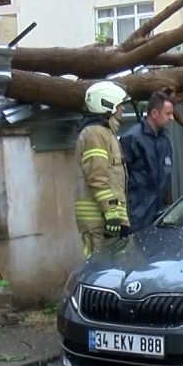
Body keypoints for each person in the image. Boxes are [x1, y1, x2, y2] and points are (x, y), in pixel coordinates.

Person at [74, 81, 130, 255]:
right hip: (100, 221)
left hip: (107, 219)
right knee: (100, 268)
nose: (123, 109)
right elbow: (97, 178)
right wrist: (111, 212)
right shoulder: (95, 134)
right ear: (108, 104)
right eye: (120, 104)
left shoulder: (104, 133)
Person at [120, 91, 175, 234]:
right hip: (137, 214)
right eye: (168, 114)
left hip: (160, 213)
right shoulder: (132, 138)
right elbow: (120, 178)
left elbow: (167, 176)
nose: (172, 118)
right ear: (155, 113)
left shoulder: (164, 138)